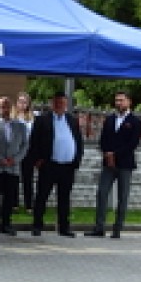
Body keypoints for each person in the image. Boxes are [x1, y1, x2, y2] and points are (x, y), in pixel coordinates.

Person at [85, 91, 141, 239]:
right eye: (117, 100)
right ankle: (99, 227)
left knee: (123, 197)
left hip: (125, 164)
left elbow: (132, 143)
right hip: (108, 164)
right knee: (102, 193)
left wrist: (115, 154)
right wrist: (107, 153)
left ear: (129, 102)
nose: (118, 103)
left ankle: (117, 228)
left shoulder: (135, 121)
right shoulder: (110, 120)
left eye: (121, 100)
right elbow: (103, 139)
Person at [29, 91, 84, 237]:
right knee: (42, 196)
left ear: (66, 104)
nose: (60, 105)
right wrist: (37, 160)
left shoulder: (72, 120)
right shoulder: (42, 120)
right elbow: (34, 142)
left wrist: (77, 159)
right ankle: (37, 225)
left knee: (64, 198)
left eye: (63, 103)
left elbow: (78, 141)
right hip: (49, 165)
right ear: (52, 103)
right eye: (57, 102)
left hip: (67, 166)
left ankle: (64, 227)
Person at [0, 96, 28, 236]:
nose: (4, 109)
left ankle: (6, 223)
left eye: (6, 106)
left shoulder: (20, 125)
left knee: (9, 197)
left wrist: (16, 159)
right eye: (1, 106)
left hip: (13, 168)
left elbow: (25, 145)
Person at [11, 91, 36, 214]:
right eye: (20, 102)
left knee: (28, 178)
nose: (22, 104)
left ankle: (29, 205)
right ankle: (14, 203)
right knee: (14, 177)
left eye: (25, 102)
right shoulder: (12, 117)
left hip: (28, 151)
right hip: (15, 150)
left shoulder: (32, 117)